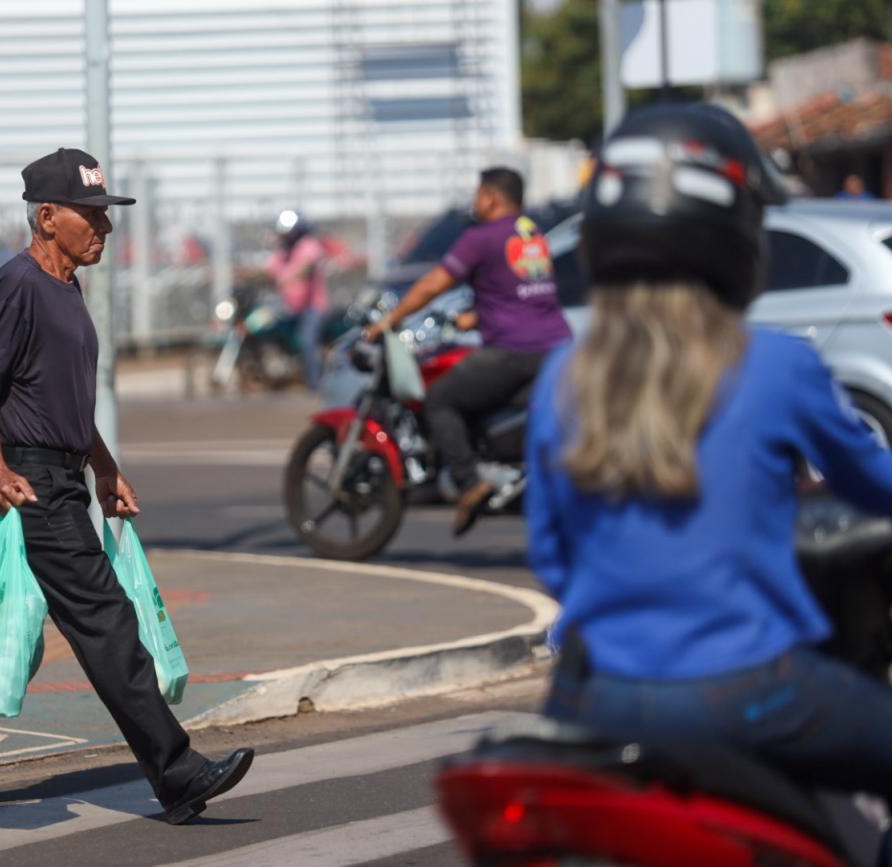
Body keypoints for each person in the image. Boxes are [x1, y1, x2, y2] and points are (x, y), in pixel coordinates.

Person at [526, 104, 892, 820]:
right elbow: (877, 486)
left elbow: (552, 554)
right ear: (738, 236)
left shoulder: (561, 375)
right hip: (753, 690)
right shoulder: (778, 364)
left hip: (589, 696)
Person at [0, 148, 254, 822]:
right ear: (47, 217)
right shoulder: (18, 284)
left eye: (107, 217)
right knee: (108, 623)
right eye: (92, 216)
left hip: (63, 476)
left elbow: (66, 404)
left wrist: (105, 468)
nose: (104, 229)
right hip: (33, 484)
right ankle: (177, 771)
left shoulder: (65, 288)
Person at [364, 167, 571, 535]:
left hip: (514, 350)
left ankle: (468, 480)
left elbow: (433, 283)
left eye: (478, 194)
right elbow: (522, 289)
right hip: (556, 346)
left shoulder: (482, 237)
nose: (474, 202)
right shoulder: (530, 234)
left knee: (440, 399)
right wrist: (476, 316)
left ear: (491, 197)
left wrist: (389, 320)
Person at [265, 209, 328, 389]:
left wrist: (287, 278)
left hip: (314, 308)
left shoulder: (309, 245)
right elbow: (267, 271)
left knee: (307, 341)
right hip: (289, 308)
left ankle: (315, 385)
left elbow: (307, 268)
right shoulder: (282, 252)